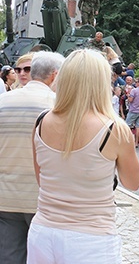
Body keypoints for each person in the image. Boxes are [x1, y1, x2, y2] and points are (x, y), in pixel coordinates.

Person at [27, 49, 139, 263]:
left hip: (43, 231)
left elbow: (41, 179)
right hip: (91, 237)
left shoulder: (42, 121)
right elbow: (133, 183)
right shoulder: (114, 128)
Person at [0, 52, 64, 264]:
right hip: (44, 198)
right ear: (54, 76)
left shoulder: (3, 101)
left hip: (6, 196)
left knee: (9, 256)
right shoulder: (59, 105)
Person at [125, 77, 139, 147]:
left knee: (127, 125)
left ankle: (126, 140)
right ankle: (136, 142)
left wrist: (128, 96)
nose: (135, 83)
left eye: (136, 82)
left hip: (133, 110)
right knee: (138, 126)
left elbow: (131, 100)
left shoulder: (134, 90)